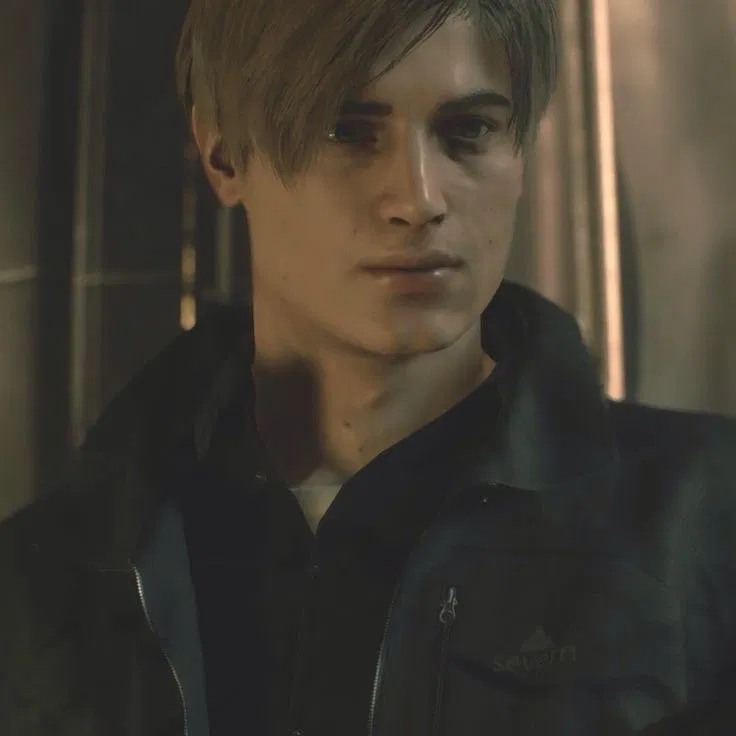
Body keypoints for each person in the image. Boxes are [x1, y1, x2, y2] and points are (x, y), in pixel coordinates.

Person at [1, 0, 735, 733]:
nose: (419, 200)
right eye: (346, 131)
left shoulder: (704, 523)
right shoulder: (55, 578)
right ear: (224, 154)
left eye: (469, 130)